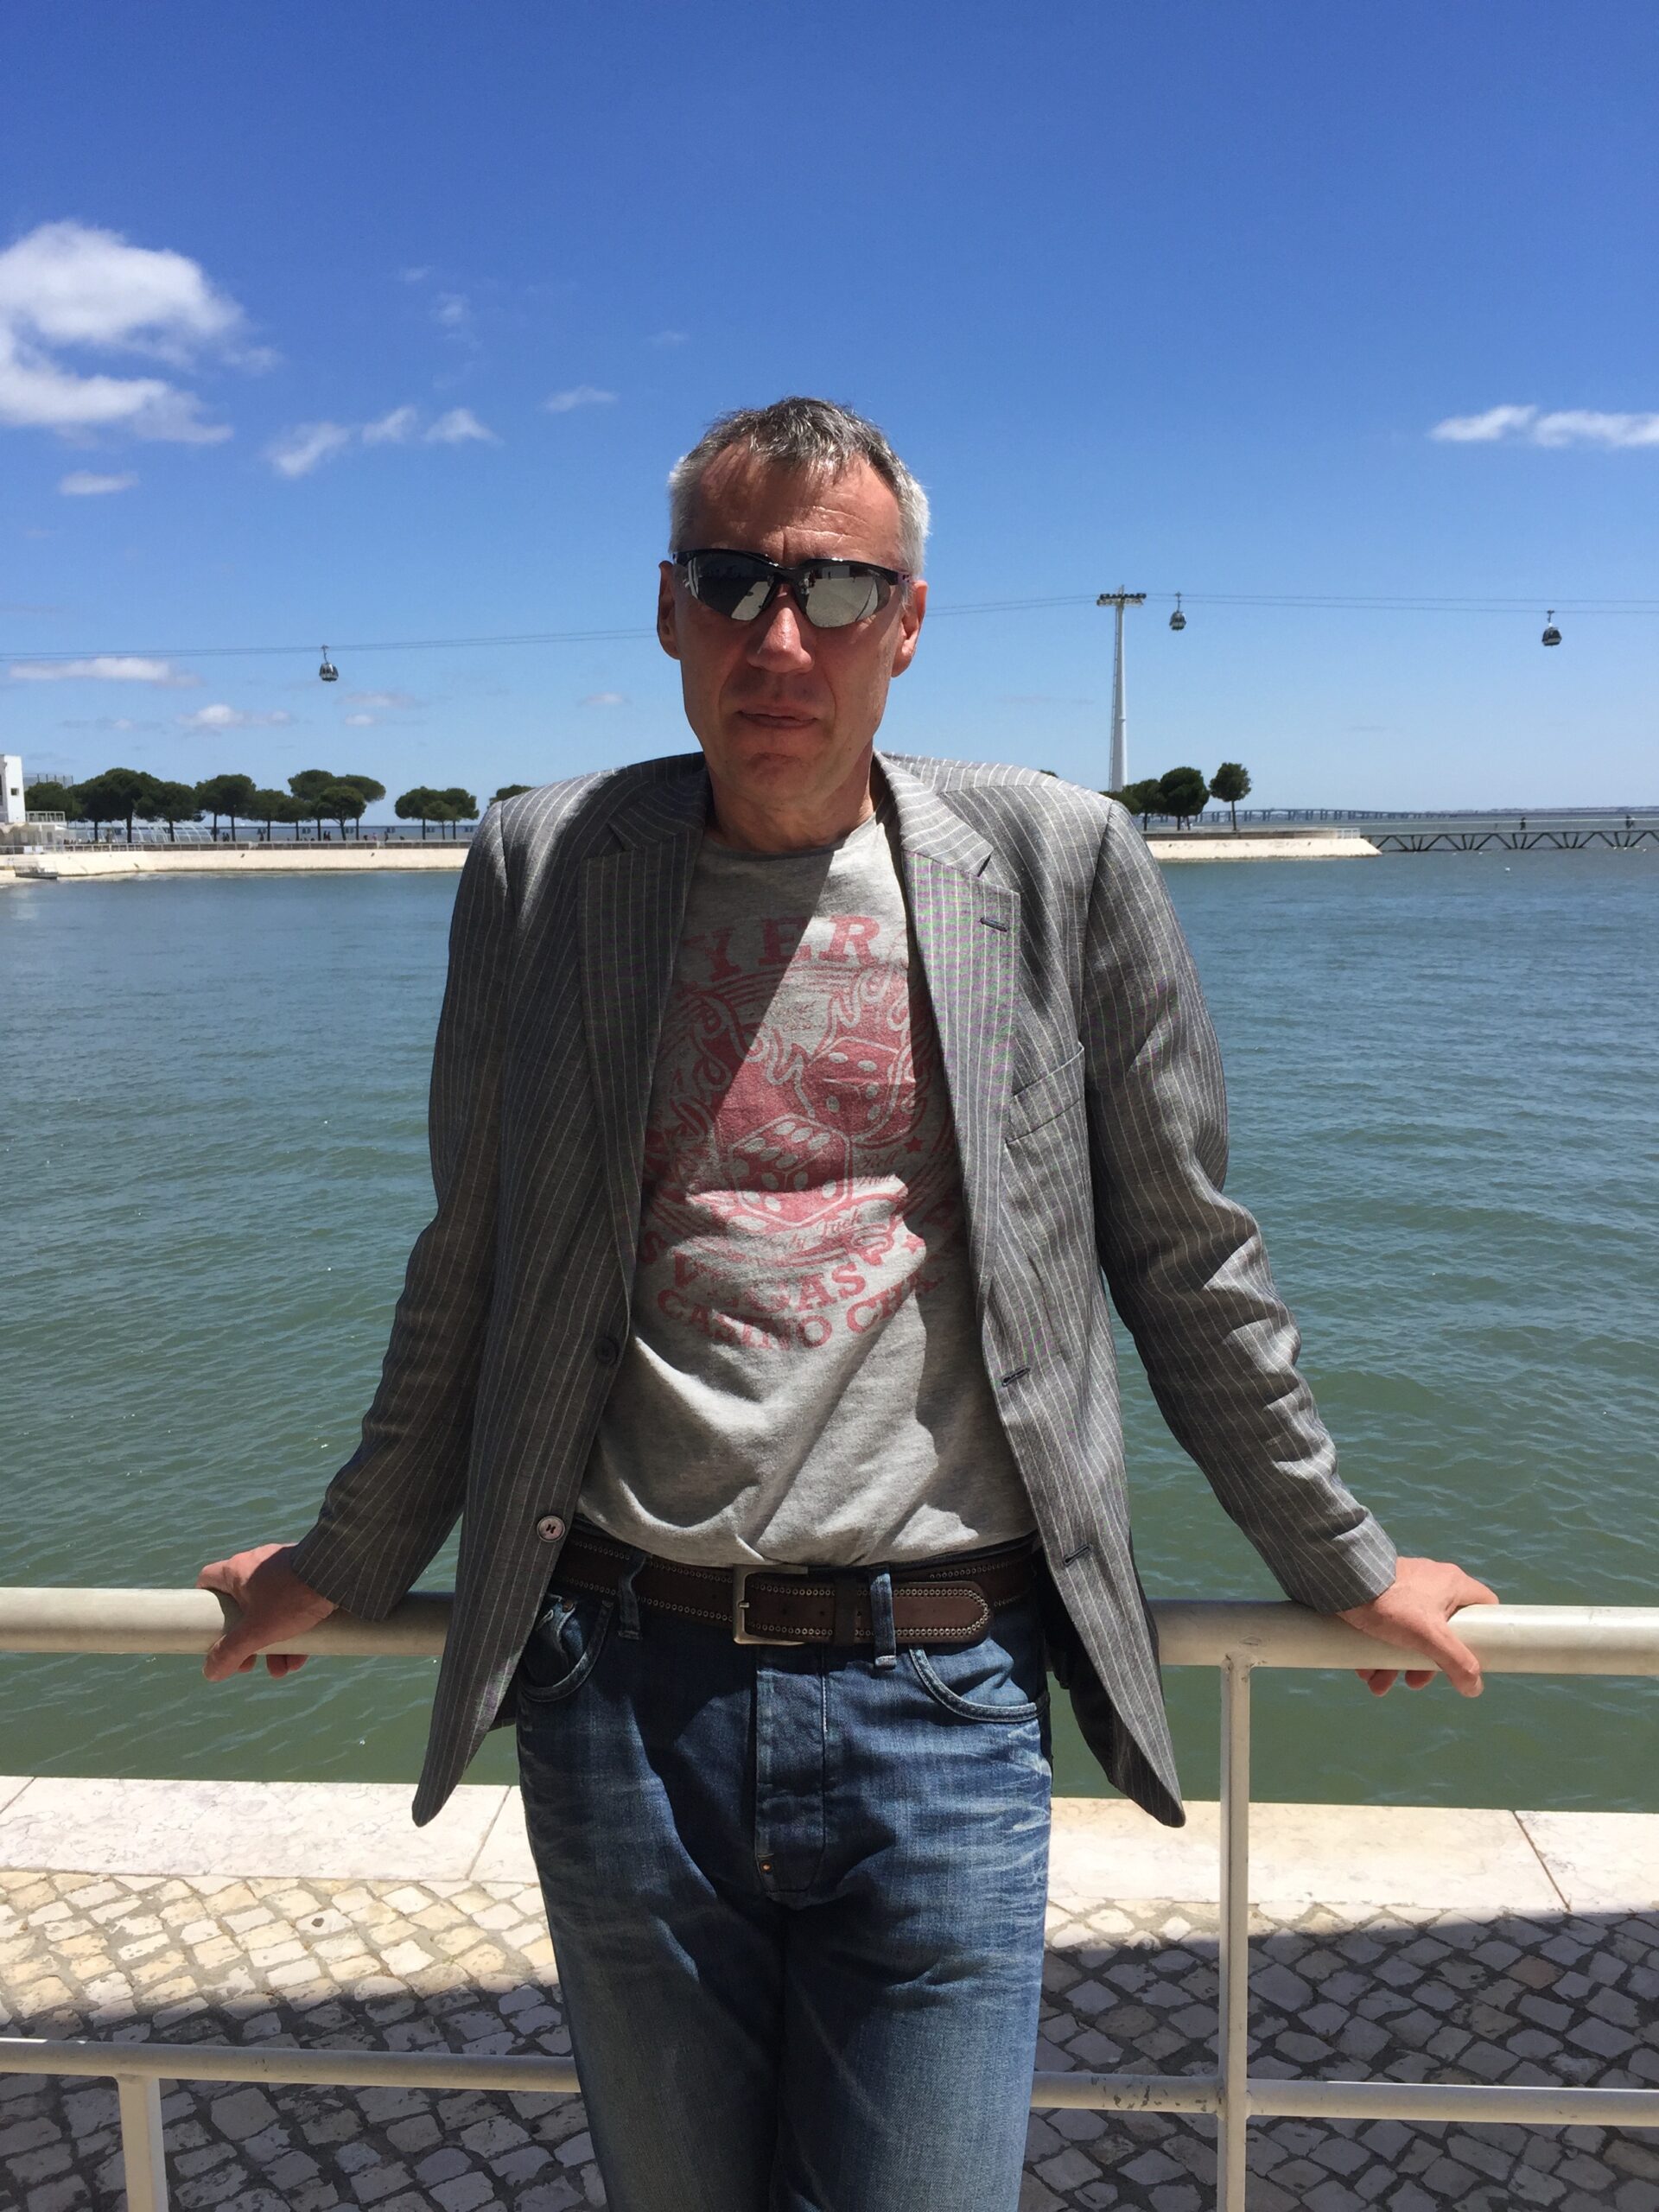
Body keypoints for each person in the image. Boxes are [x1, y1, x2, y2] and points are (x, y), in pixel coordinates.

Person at [199, 397, 1497, 2212]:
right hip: (615, 1683)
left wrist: (1338, 1556)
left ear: (910, 621)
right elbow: (473, 1254)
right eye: (735, 582)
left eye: (834, 588)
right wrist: (344, 1554)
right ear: (669, 608)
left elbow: (1183, 1250)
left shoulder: (1056, 861)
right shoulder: (542, 864)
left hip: (946, 1689)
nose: (780, 637)